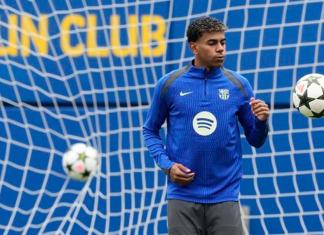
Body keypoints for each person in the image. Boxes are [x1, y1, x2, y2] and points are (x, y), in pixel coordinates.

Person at [143, 16, 269, 235]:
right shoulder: (169, 84)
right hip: (182, 196)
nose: (220, 49)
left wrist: (261, 121)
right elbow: (150, 130)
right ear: (194, 47)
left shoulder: (239, 85)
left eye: (223, 42)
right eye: (212, 43)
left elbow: (255, 140)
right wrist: (167, 166)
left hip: (225, 196)